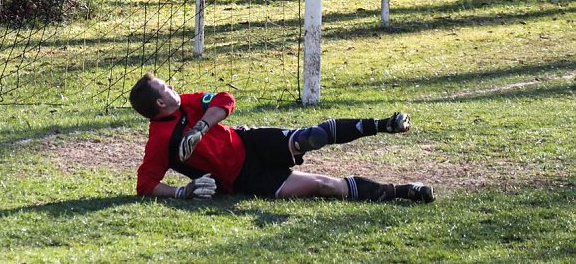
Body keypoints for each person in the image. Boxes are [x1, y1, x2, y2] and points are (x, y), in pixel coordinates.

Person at [129, 74, 434, 202]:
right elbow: (145, 184)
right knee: (322, 185)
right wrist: (182, 192)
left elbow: (225, 98)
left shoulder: (188, 102)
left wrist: (201, 128)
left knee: (311, 137)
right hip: (245, 179)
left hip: (251, 142)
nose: (174, 89)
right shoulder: (160, 140)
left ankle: (384, 124)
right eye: (167, 88)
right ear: (160, 103)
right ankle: (404, 191)